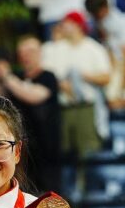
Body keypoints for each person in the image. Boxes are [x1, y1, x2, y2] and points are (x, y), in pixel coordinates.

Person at [0, 35, 62, 192]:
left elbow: (33, 96)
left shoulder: (48, 77)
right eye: (22, 52)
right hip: (21, 146)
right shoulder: (16, 77)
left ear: (40, 53)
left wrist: (7, 76)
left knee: (48, 193)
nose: (26, 55)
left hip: (46, 148)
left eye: (31, 51)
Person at [41, 12, 112, 158]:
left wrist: (83, 76)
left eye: (67, 23)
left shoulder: (93, 48)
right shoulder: (55, 48)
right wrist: (60, 84)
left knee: (89, 152)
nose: (63, 27)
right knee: (64, 154)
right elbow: (45, 73)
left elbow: (106, 77)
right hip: (63, 107)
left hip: (86, 107)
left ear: (78, 26)